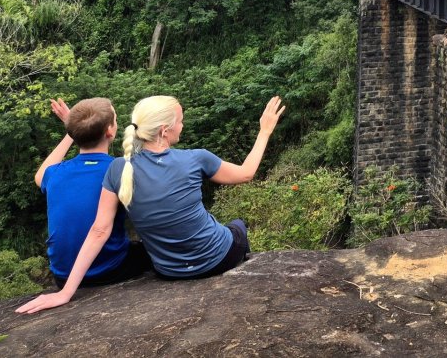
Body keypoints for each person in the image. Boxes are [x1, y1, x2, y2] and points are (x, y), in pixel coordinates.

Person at [17, 95, 286, 315]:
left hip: (167, 270)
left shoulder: (119, 168)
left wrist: (65, 293)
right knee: (238, 226)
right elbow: (246, 173)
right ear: (164, 130)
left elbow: (99, 229)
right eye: (180, 121)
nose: (183, 125)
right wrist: (265, 130)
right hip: (217, 258)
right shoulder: (196, 158)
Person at [36, 97, 151, 289]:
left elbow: (40, 175)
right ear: (110, 130)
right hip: (108, 270)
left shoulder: (55, 173)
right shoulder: (122, 170)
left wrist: (71, 131)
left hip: (63, 275)